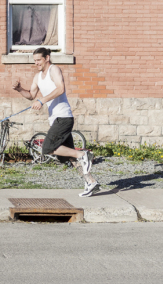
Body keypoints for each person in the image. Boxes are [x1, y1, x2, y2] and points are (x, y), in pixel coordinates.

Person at [12, 47, 99, 197]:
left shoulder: (54, 70)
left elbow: (60, 89)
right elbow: (31, 95)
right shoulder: (37, 77)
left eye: (38, 60)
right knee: (68, 156)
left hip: (63, 117)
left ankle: (83, 155)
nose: (36, 63)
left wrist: (42, 100)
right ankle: (91, 181)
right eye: (34, 61)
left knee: (47, 148)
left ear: (47, 58)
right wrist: (19, 89)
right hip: (55, 119)